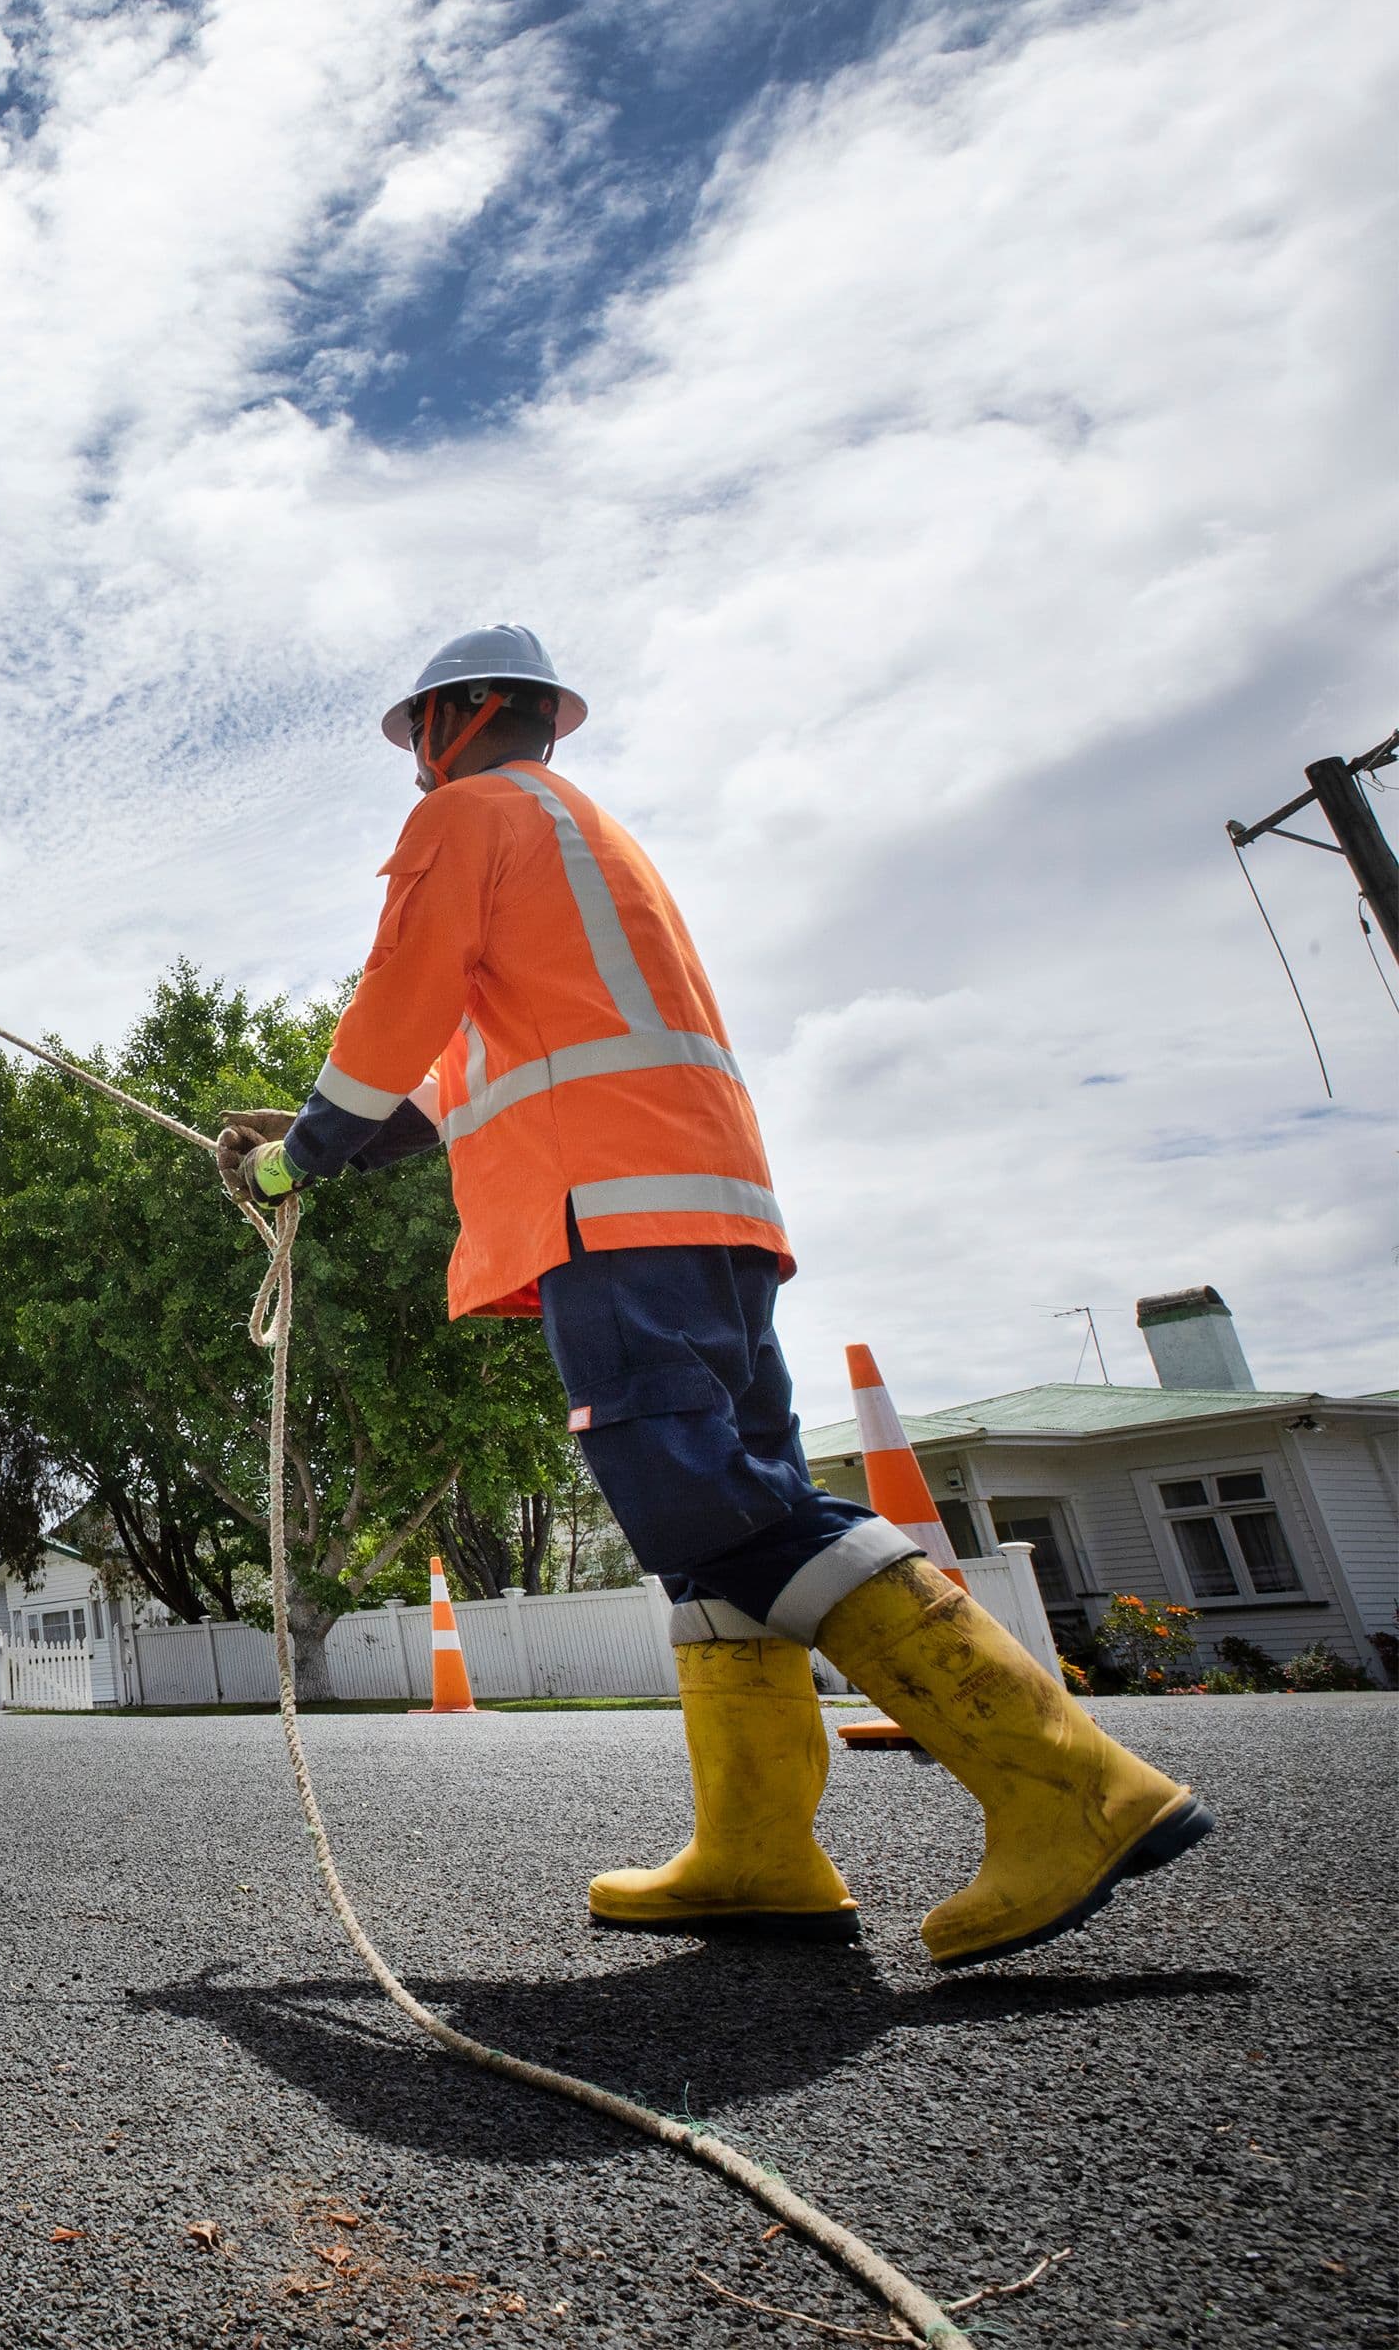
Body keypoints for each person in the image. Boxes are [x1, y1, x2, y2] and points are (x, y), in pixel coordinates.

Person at [214, 627, 1212, 1967]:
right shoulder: (578, 836)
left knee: (703, 1493)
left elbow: (398, 1006)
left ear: (472, 714)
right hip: (703, 1207)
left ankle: (1069, 1785)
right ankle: (760, 1849)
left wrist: (302, 1154)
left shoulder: (474, 816)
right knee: (712, 1527)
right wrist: (342, 1131)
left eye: (421, 735)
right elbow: (453, 1085)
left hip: (613, 1211)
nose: (415, 768)